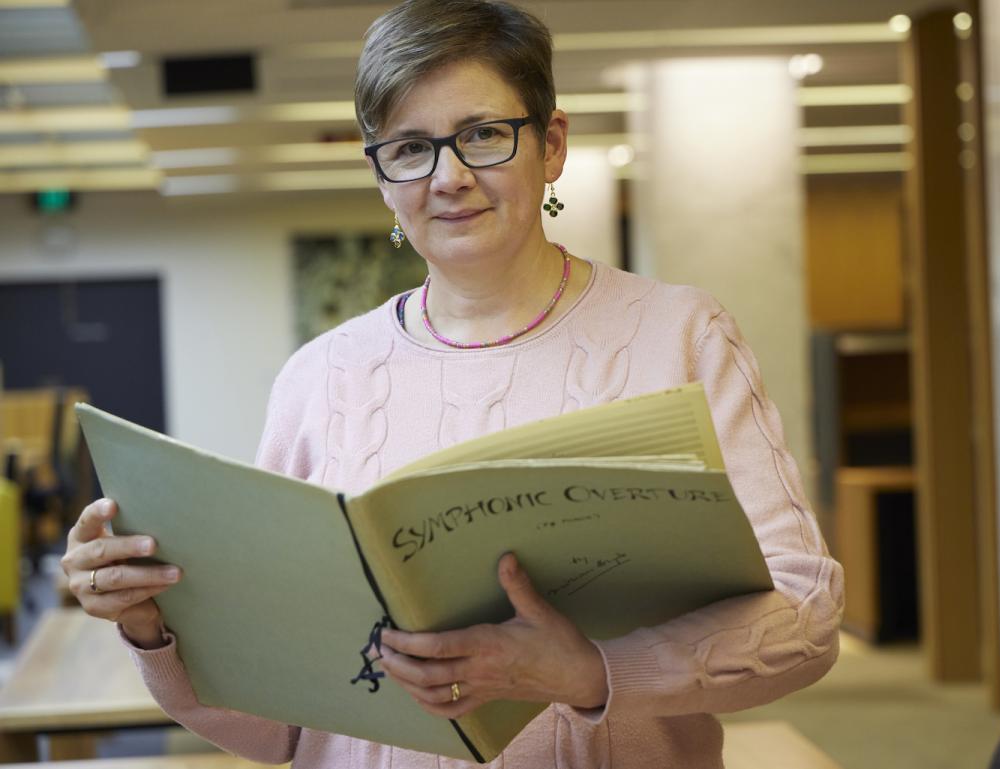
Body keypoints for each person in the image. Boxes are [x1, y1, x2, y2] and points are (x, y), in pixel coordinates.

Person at [60, 1, 844, 766]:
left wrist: (588, 673)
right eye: (410, 148)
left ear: (553, 143)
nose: (451, 176)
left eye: (482, 135)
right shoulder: (321, 377)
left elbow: (804, 615)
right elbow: (286, 730)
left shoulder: (679, 336)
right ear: (381, 173)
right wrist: (150, 626)